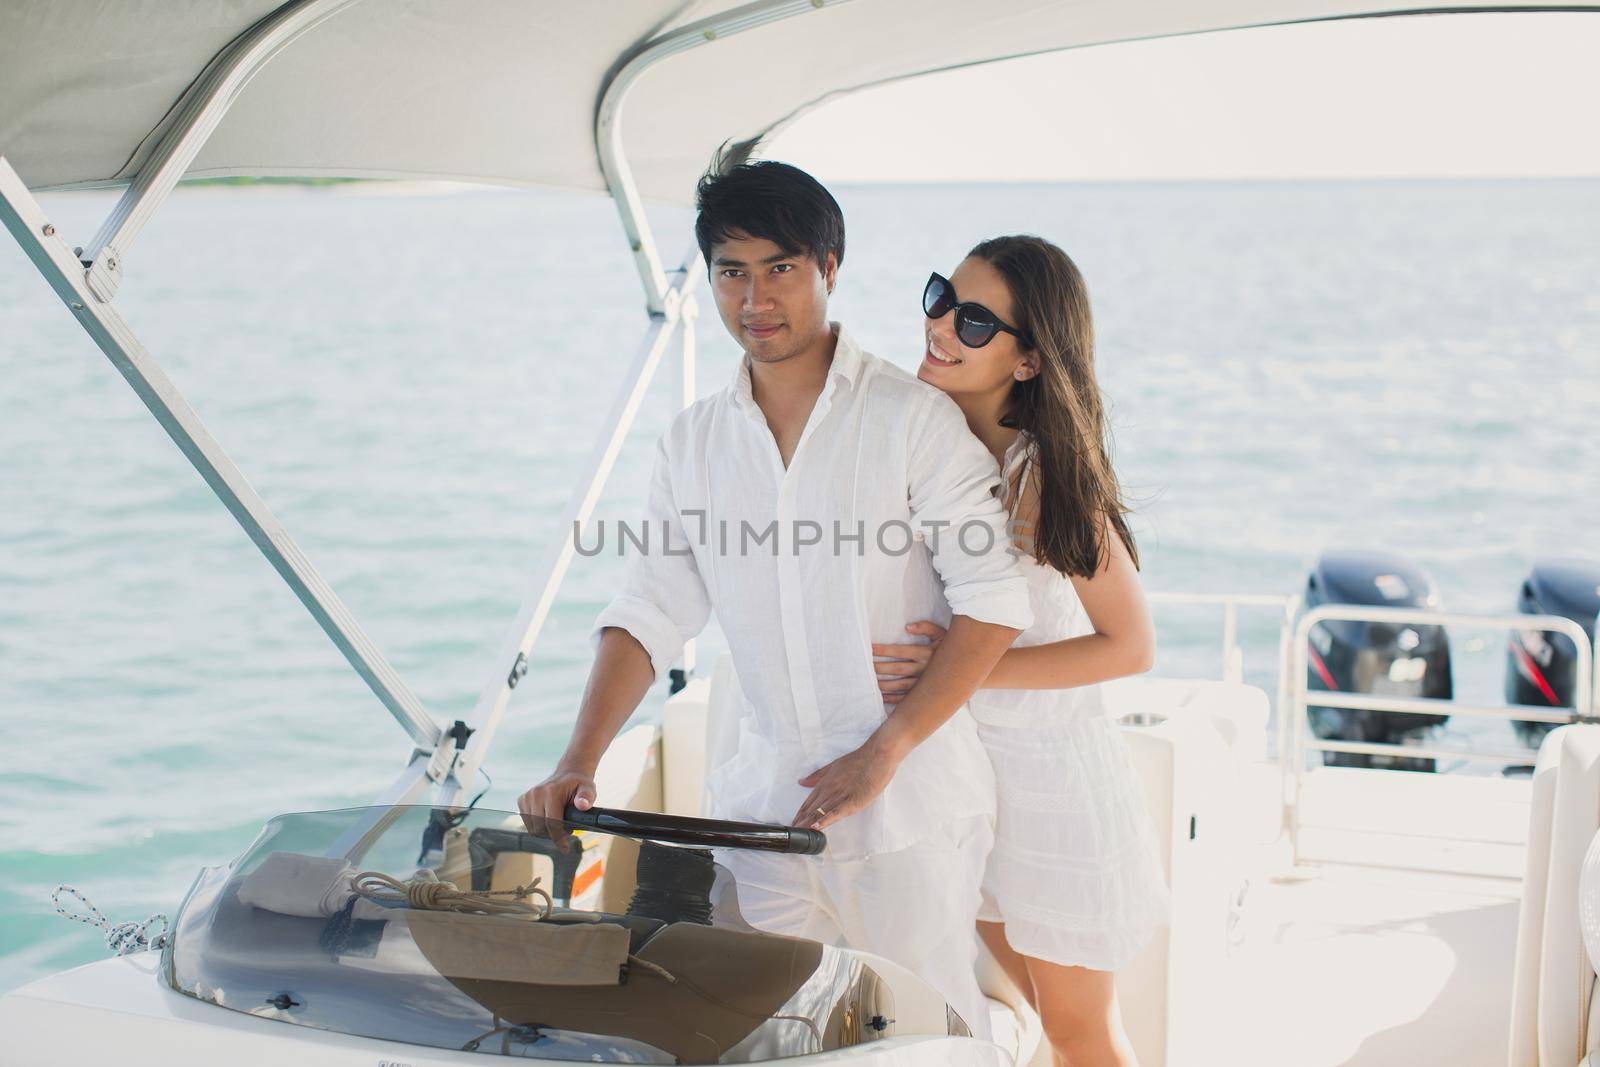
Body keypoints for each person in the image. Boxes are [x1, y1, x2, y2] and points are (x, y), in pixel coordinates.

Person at [517, 160, 1033, 1037]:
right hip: (762, 815)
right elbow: (651, 607)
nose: (755, 298)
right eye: (731, 271)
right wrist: (579, 758)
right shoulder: (692, 441)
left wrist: (886, 750)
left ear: (829, 267)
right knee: (770, 1039)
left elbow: (993, 600)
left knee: (926, 1037)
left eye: (780, 268)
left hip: (910, 810)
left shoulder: (912, 418)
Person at [873, 235, 1170, 1066]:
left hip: (1053, 793)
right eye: (940, 298)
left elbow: (1131, 644)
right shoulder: (935, 443)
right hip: (969, 783)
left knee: (1081, 1033)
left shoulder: (1041, 476)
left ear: (1031, 360)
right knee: (1040, 1017)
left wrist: (963, 668)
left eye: (973, 321)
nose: (941, 326)